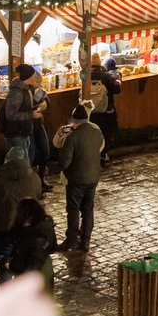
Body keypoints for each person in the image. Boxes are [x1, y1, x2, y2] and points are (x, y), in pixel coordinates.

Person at [0, 148, 42, 280]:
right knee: (24, 265)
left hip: (5, 228)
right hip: (26, 229)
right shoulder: (34, 177)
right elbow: (38, 195)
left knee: (5, 266)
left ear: (7, 160)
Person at [54, 103, 104, 252]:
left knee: (74, 209)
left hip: (76, 180)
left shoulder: (72, 137)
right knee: (88, 209)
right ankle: (86, 241)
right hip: (93, 177)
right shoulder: (97, 132)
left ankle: (71, 240)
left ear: (74, 121)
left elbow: (65, 162)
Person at [4, 196, 59, 287]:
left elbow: (19, 264)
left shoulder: (25, 235)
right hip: (46, 269)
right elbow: (53, 248)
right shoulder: (48, 226)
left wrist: (9, 265)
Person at [0, 65, 46, 166]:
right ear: (29, 77)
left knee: (23, 161)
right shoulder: (17, 92)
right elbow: (10, 114)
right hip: (16, 133)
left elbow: (26, 106)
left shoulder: (26, 89)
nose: (35, 77)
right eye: (34, 75)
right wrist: (31, 115)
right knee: (21, 164)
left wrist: (41, 96)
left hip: (23, 132)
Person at [88, 60, 122, 163]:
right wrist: (118, 82)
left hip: (91, 111)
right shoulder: (106, 76)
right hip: (105, 111)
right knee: (106, 133)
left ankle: (93, 154)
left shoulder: (84, 76)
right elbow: (117, 90)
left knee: (93, 133)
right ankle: (104, 154)